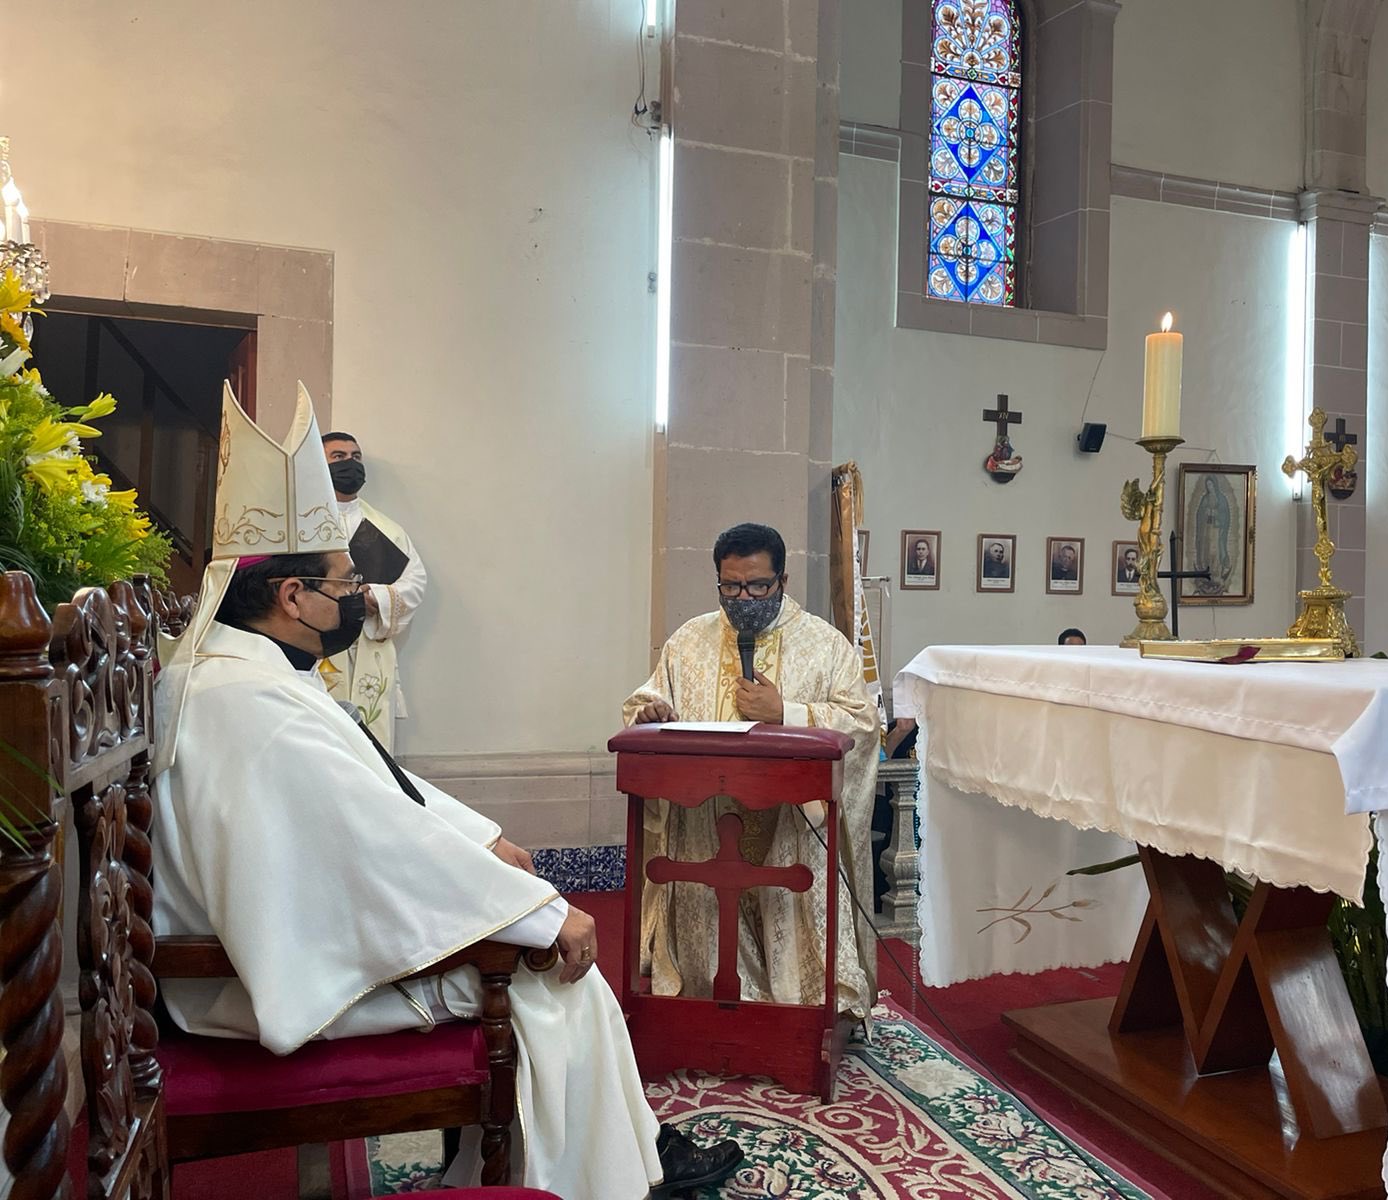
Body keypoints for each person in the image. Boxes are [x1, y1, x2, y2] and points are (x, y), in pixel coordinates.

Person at [152, 382, 741, 1199]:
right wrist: (537, 913)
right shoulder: (253, 704)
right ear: (291, 597)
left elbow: (374, 789)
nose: (357, 595)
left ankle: (611, 1155)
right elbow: (370, 842)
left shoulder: (237, 670)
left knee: (537, 948)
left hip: (265, 940)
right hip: (258, 975)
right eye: (342, 582)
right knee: (557, 984)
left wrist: (481, 840)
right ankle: (605, 1180)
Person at [623, 523, 879, 1017]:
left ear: (783, 580)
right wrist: (650, 712)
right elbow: (652, 694)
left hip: (791, 825)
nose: (744, 598)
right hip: (705, 817)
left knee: (787, 909)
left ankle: (801, 1009)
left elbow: (864, 724)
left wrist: (788, 712)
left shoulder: (825, 645)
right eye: (731, 586)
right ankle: (708, 998)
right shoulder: (689, 639)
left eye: (758, 585)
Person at [315, 430, 427, 749]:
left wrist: (374, 597)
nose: (350, 463)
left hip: (366, 645)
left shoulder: (387, 530)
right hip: (319, 642)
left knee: (370, 748)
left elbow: (415, 581)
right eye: (338, 457)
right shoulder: (303, 525)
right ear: (319, 465)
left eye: (356, 457)